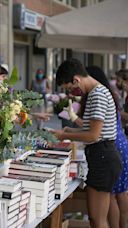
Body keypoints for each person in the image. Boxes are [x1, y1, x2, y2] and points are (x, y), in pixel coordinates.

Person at [51, 59, 122, 228]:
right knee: (95, 219)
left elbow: (93, 135)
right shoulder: (97, 93)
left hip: (103, 158)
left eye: (70, 88)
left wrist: (63, 136)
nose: (73, 92)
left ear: (76, 80)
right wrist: (68, 132)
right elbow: (93, 130)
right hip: (102, 156)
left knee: (98, 220)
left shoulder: (97, 95)